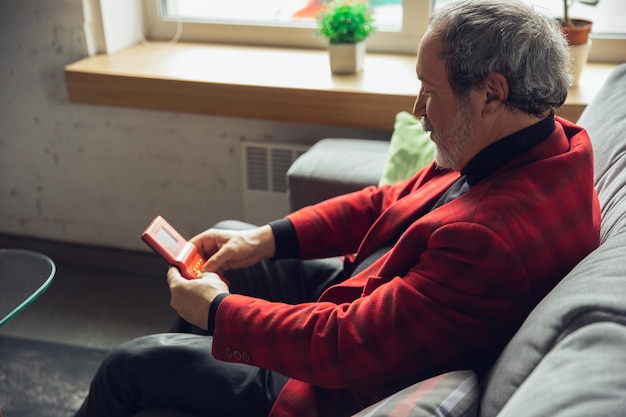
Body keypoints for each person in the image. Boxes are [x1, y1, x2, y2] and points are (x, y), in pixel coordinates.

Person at [75, 0, 601, 416]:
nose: (417, 109)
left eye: (428, 89)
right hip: (371, 294)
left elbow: (348, 345)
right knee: (236, 245)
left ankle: (183, 365)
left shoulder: (490, 240)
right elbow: (388, 199)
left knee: (131, 363)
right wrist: (268, 237)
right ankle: (189, 367)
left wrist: (217, 311)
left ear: (491, 93)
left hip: (334, 383)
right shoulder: (541, 141)